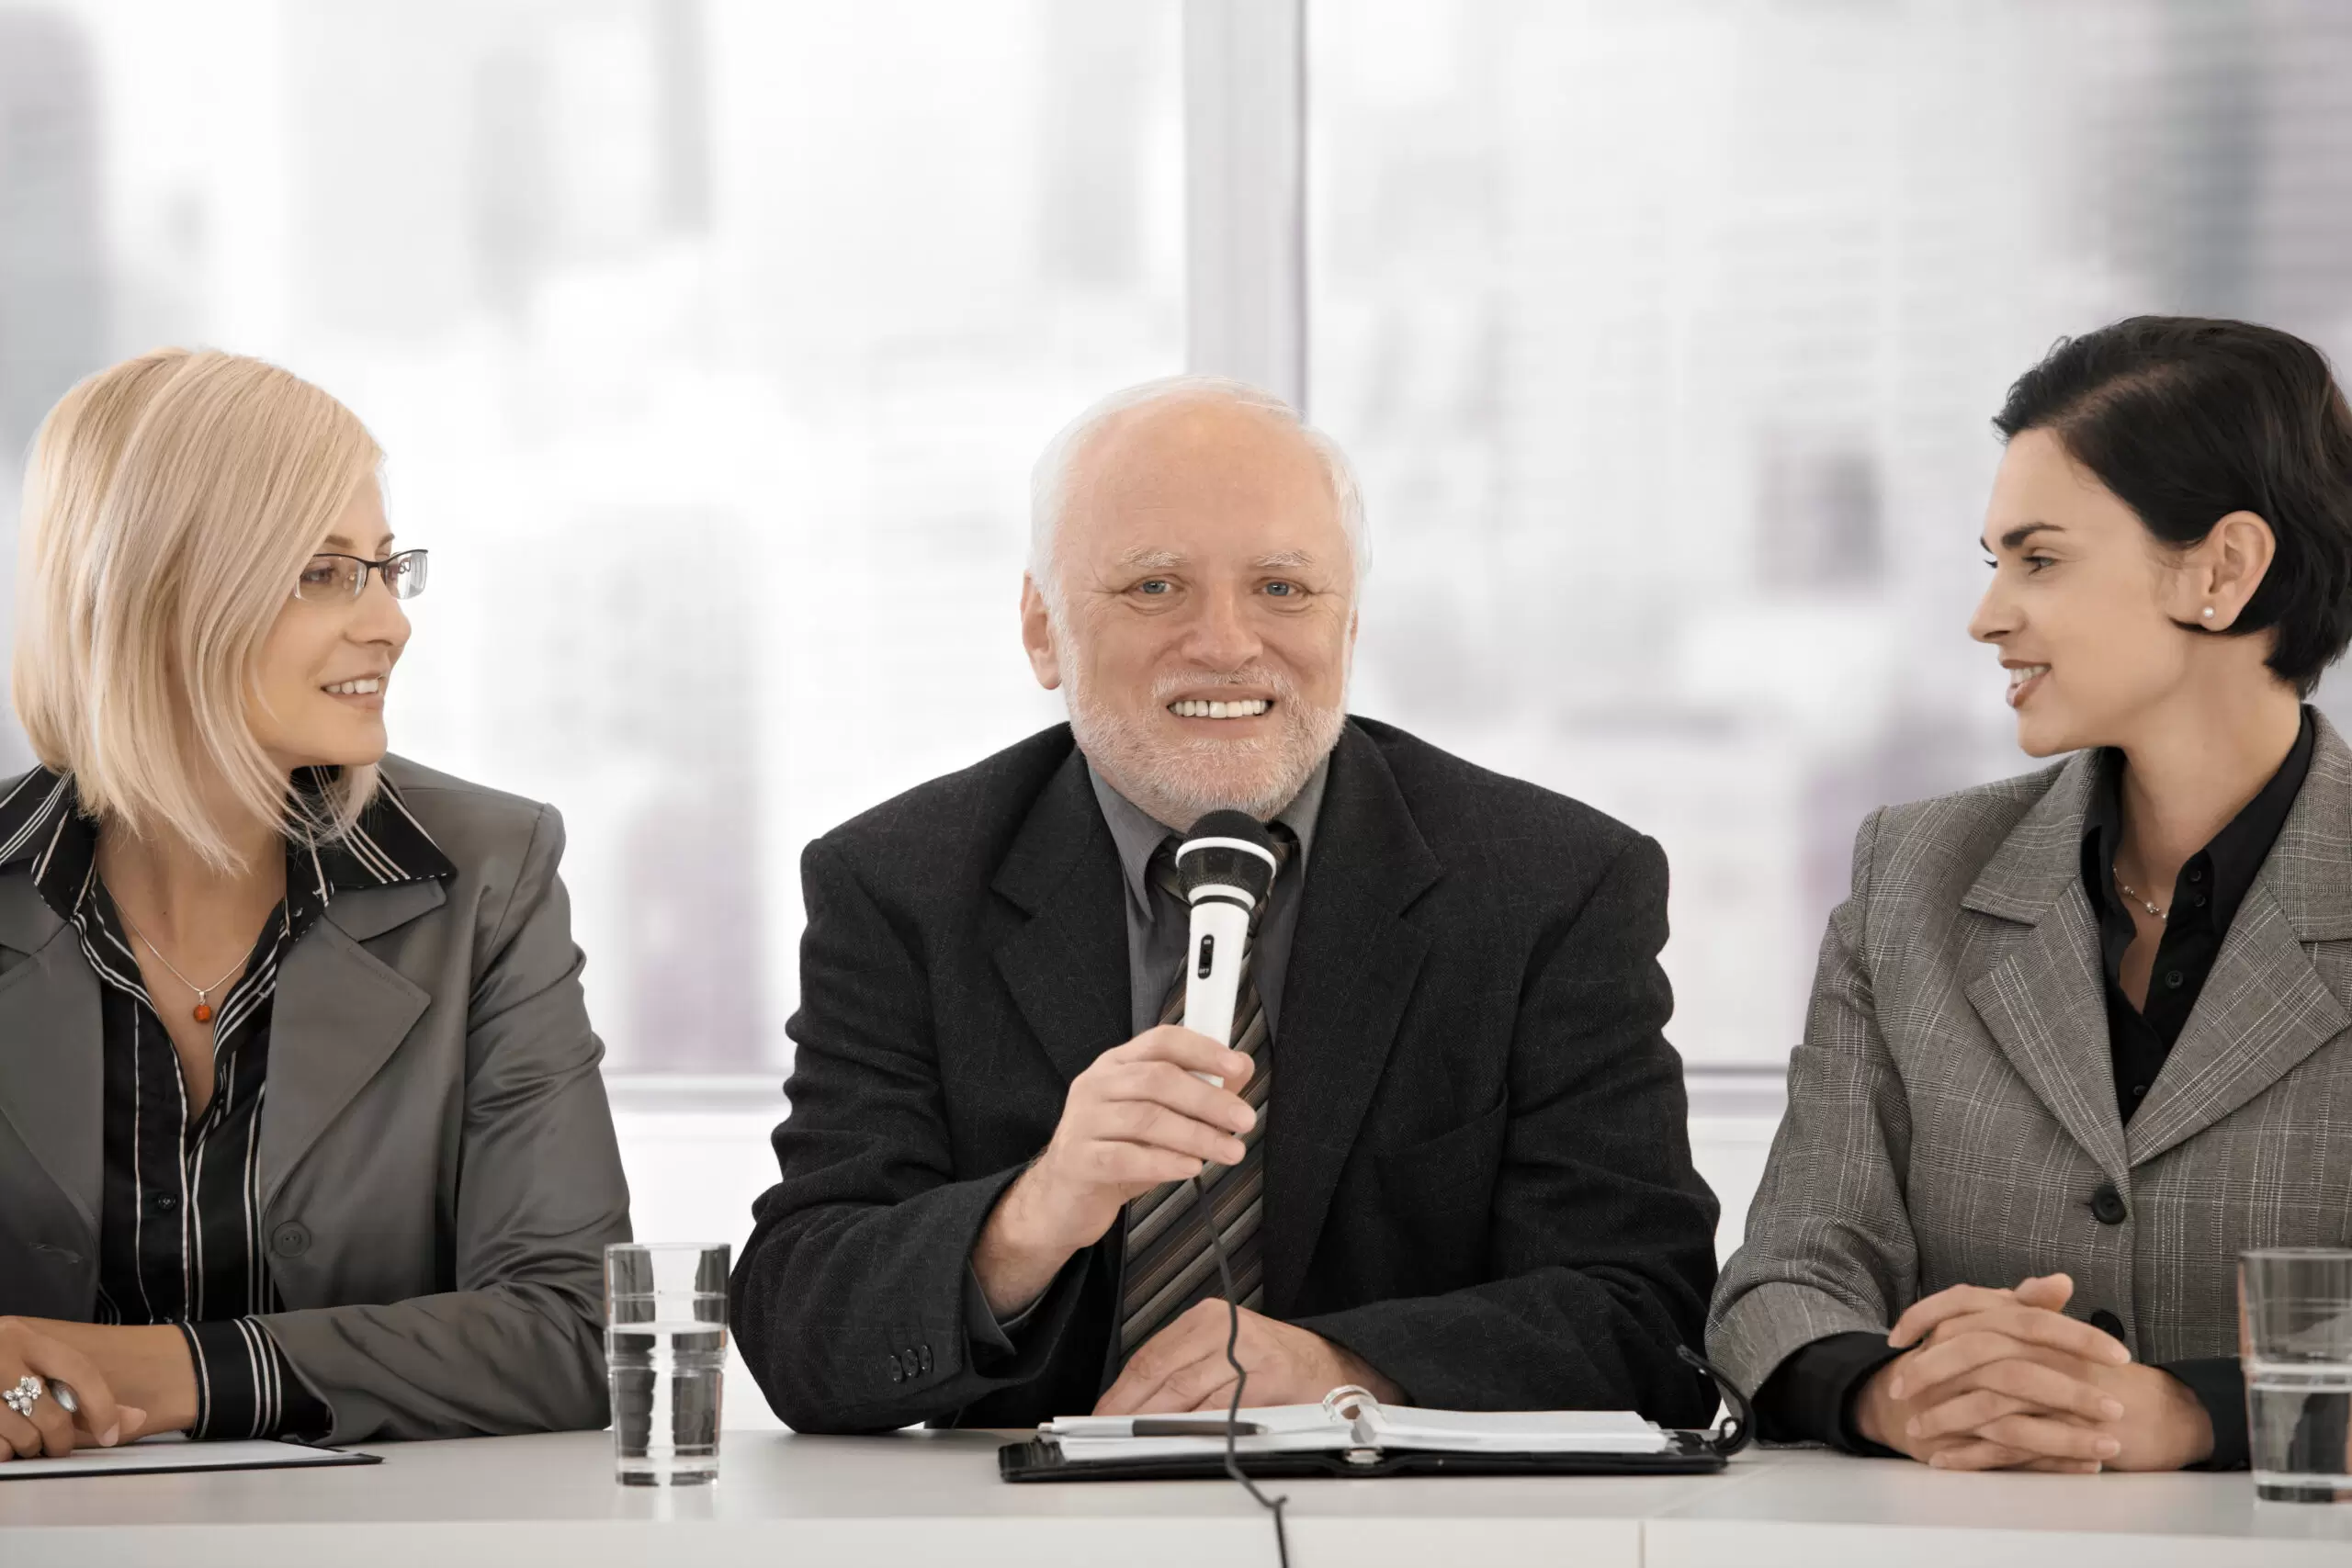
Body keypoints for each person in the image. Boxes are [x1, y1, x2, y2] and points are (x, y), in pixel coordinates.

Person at [732, 375, 1719, 1433]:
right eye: (1154, 586)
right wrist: (1034, 1213)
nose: (1226, 643)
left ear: (1350, 628)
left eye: (1283, 590)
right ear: (1041, 630)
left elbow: (1649, 1318)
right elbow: (799, 1327)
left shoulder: (1550, 887)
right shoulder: (900, 884)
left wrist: (1348, 1370)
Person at [1710, 316, 2352, 1472]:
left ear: (2222, 569)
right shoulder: (1913, 874)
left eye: (2040, 559)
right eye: (1992, 562)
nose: (1987, 614)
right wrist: (1890, 1391)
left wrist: (2198, 1409)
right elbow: (1783, 1279)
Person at [0, 349, 630, 1460]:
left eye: (389, 569)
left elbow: (571, 1331)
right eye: (324, 573)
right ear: (157, 595)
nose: (390, 623)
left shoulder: (486, 871)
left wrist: (160, 1368)